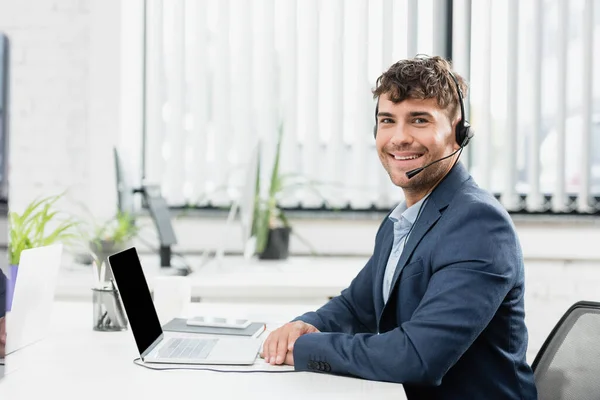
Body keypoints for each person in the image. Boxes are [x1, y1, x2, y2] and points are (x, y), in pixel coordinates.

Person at [260, 55, 537, 399]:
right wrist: (305, 325)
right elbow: (356, 306)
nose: (399, 137)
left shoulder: (478, 225)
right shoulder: (404, 220)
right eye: (387, 120)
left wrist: (305, 349)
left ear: (457, 131)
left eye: (419, 120)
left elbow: (417, 356)